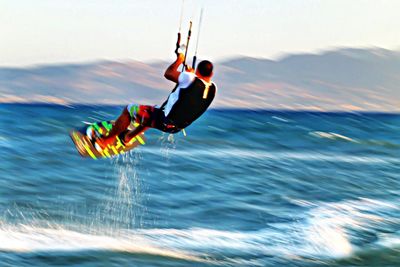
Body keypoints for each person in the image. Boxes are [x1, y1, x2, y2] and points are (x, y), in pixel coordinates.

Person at [95, 53, 217, 149]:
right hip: (176, 128)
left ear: (197, 71)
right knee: (153, 112)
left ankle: (105, 142)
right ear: (211, 74)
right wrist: (189, 76)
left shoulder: (190, 79)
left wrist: (179, 60)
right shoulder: (213, 89)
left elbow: (168, 73)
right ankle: (127, 137)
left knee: (129, 109)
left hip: (164, 120)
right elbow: (188, 95)